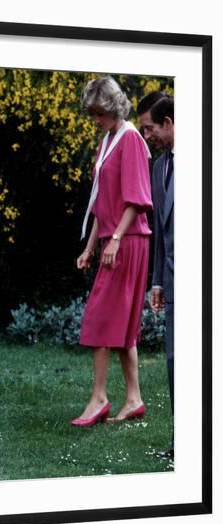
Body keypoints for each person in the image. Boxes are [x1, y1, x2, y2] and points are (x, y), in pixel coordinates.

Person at [72, 76, 153, 426]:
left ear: (113, 107)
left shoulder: (131, 139)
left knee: (100, 318)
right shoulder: (107, 140)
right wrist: (91, 245)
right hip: (112, 239)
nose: (95, 120)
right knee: (121, 325)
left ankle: (99, 398)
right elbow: (102, 203)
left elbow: (138, 200)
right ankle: (133, 399)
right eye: (92, 114)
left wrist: (116, 238)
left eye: (100, 113)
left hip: (129, 240)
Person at [138, 95, 175, 459]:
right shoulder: (159, 167)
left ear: (169, 123)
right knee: (175, 362)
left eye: (149, 128)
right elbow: (161, 231)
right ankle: (185, 443)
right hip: (175, 284)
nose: (146, 135)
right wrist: (158, 281)